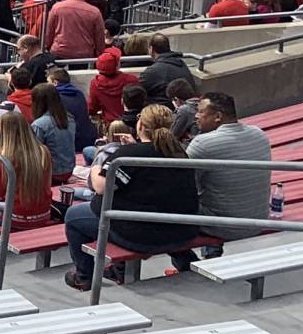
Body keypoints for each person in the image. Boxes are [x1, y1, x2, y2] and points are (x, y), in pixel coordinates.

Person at [68, 105, 205, 287]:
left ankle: (84, 277)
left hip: (140, 235)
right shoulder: (179, 153)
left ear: (140, 126)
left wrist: (96, 165)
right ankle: (180, 263)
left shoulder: (127, 156)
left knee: (73, 216)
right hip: (181, 230)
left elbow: (101, 187)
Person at [188, 90, 274, 240]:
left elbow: (183, 187)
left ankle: (187, 261)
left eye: (201, 112)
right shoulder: (259, 134)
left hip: (224, 226)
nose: (196, 116)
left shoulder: (202, 144)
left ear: (218, 116)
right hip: (258, 220)